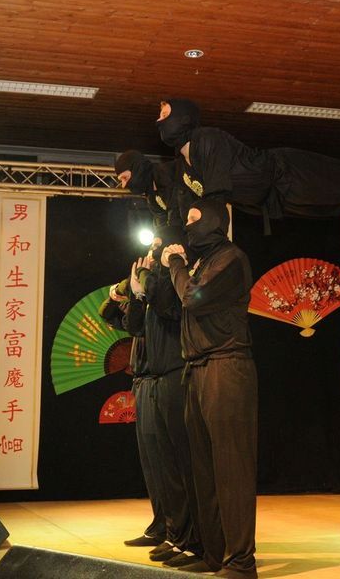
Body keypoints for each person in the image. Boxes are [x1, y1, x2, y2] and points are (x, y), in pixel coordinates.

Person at [155, 99, 340, 230]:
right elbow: (190, 208)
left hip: (287, 172)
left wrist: (208, 241)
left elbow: (215, 199)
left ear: (183, 116)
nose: (159, 119)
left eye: (165, 113)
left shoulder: (207, 139)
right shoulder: (184, 168)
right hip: (278, 200)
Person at [161, 199, 257, 578]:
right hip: (198, 368)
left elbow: (193, 298)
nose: (187, 226)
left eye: (194, 219)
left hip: (226, 366)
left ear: (215, 221)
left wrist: (176, 264)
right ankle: (216, 555)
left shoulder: (231, 259)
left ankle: (241, 560)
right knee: (204, 470)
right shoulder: (201, 262)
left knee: (232, 467)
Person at [125, 227, 203, 568]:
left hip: (176, 374)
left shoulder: (176, 281)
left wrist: (147, 280)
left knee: (181, 463)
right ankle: (174, 532)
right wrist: (135, 294)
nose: (152, 253)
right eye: (152, 247)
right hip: (154, 378)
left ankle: (192, 537)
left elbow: (171, 308)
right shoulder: (155, 285)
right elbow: (134, 327)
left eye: (158, 246)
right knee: (161, 464)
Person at [98, 278, 168, 549]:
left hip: (158, 380)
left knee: (163, 460)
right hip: (141, 382)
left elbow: (135, 323)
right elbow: (108, 314)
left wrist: (141, 293)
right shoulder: (140, 308)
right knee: (151, 462)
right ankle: (160, 524)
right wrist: (120, 290)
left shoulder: (163, 307)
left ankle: (174, 527)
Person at [114, 151, 187, 228]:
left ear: (137, 168)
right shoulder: (151, 196)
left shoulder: (169, 173)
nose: (123, 185)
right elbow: (161, 222)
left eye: (125, 178)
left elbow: (178, 209)